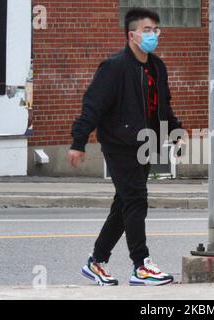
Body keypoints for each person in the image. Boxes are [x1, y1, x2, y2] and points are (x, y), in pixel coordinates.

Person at [68, 7, 183, 286]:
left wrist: (175, 129)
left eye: (156, 30)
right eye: (147, 30)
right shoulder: (115, 67)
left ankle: (96, 262)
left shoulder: (157, 66)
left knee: (124, 205)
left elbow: (163, 105)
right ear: (132, 35)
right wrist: (78, 142)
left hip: (145, 144)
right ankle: (141, 266)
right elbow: (92, 105)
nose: (153, 35)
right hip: (120, 144)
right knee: (136, 200)